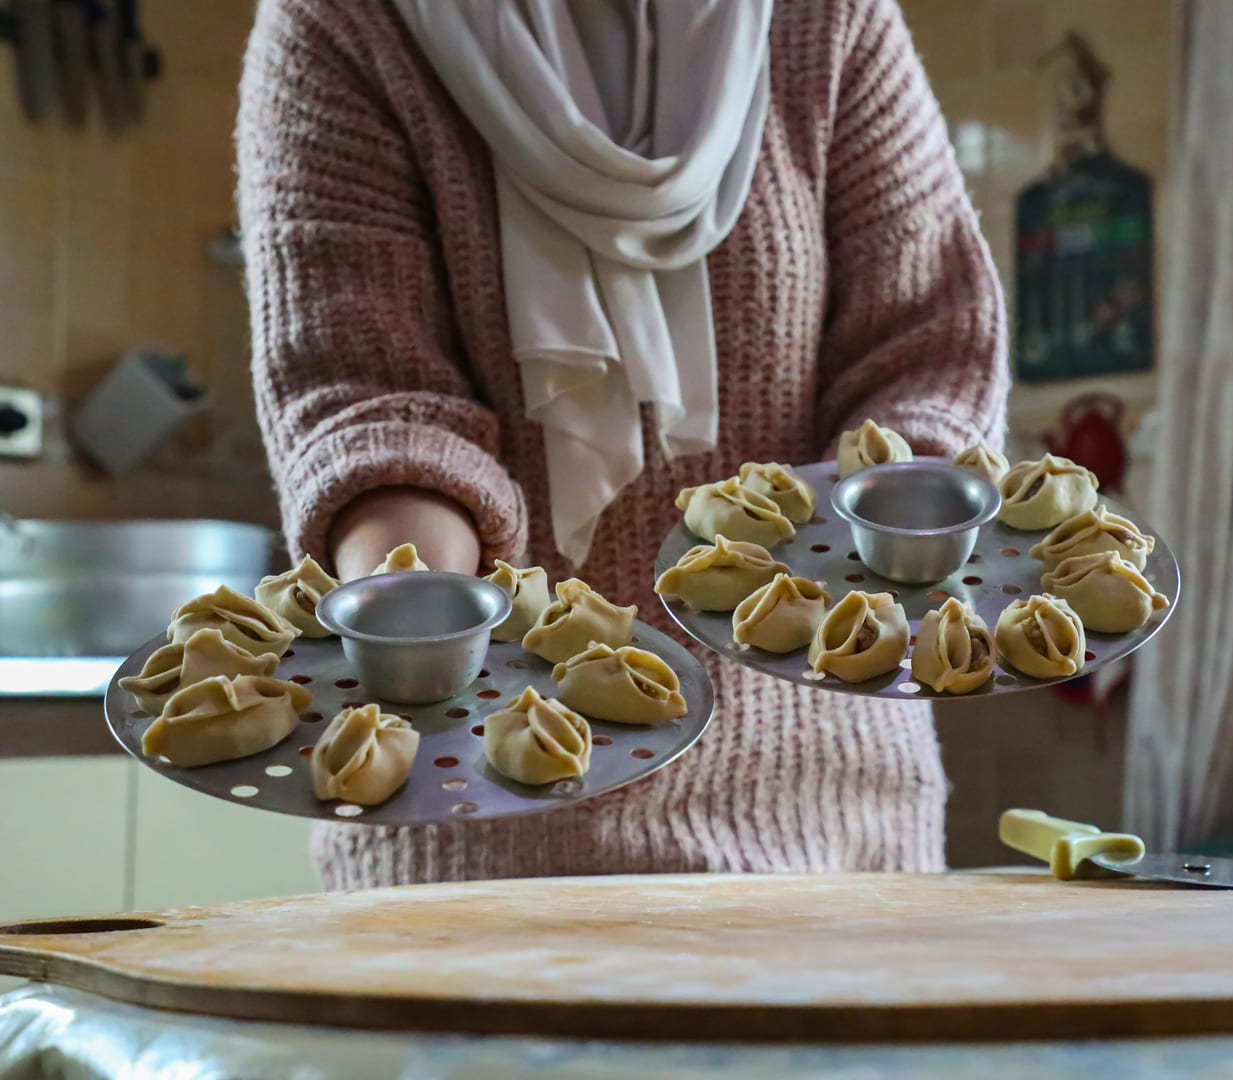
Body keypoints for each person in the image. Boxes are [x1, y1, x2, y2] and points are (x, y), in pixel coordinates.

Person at [237, 0, 1009, 889]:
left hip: (832, 823)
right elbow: (371, 397)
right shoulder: (347, 21)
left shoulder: (824, 18)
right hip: (471, 825)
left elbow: (925, 341)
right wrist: (417, 623)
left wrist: (906, 522)